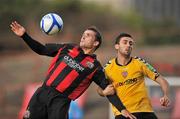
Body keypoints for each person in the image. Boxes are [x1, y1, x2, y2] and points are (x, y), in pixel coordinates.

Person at [10, 21, 136, 119]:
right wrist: (24, 36)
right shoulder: (67, 48)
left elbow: (109, 90)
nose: (83, 37)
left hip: (61, 101)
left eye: (88, 35)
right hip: (42, 93)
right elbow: (41, 49)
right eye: (83, 34)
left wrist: (122, 109)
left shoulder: (95, 67)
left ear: (96, 43)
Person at [97, 33, 171, 119]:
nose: (128, 45)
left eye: (131, 43)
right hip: (123, 114)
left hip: (145, 112)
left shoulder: (139, 62)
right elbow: (99, 89)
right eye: (125, 42)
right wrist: (103, 92)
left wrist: (166, 95)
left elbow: (162, 80)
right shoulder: (108, 68)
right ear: (117, 46)